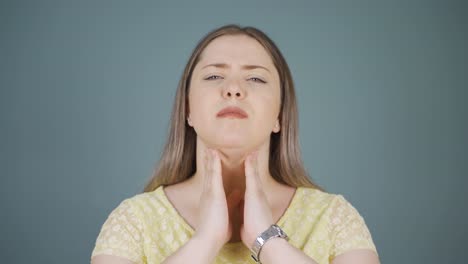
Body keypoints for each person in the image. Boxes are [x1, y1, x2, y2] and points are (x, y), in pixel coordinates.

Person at [90, 24, 380, 264]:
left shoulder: (333, 218)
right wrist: (205, 241)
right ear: (188, 110)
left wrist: (268, 241)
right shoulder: (133, 221)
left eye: (255, 78)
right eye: (214, 75)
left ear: (279, 116)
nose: (233, 89)